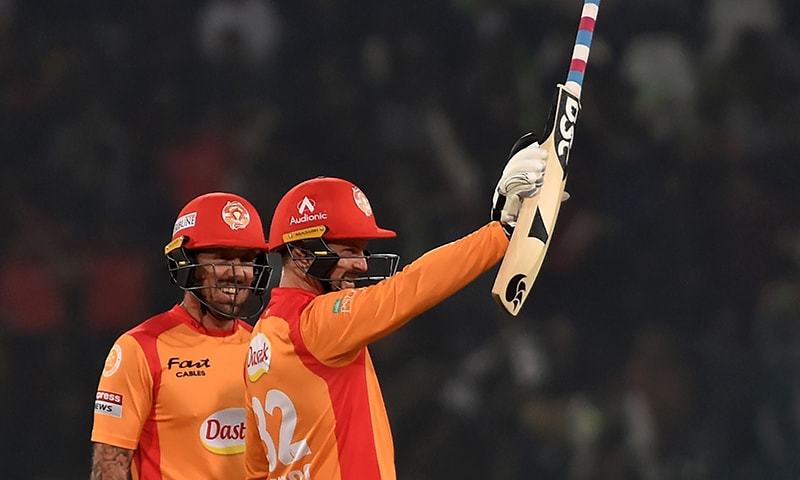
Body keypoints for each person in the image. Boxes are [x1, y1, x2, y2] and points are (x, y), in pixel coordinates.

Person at [242, 135, 552, 479]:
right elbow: (409, 288)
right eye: (347, 248)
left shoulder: (260, 341)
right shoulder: (313, 326)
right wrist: (500, 231)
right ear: (300, 254)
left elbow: (257, 470)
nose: (361, 264)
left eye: (362, 249)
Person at [89, 192, 272, 480]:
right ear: (186, 265)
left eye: (247, 260)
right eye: (222, 258)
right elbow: (110, 464)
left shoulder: (264, 348)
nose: (238, 273)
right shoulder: (139, 348)